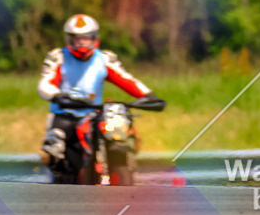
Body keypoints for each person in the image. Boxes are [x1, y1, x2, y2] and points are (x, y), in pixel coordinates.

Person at [37, 14, 165, 181]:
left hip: (94, 113)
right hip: (64, 115)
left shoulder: (103, 59)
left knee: (120, 128)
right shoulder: (58, 57)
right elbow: (45, 83)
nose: (82, 43)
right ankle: (58, 183)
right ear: (69, 39)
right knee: (53, 149)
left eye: (86, 38)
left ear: (95, 38)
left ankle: (124, 164)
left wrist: (149, 95)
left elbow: (126, 79)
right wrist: (57, 96)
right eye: (77, 39)